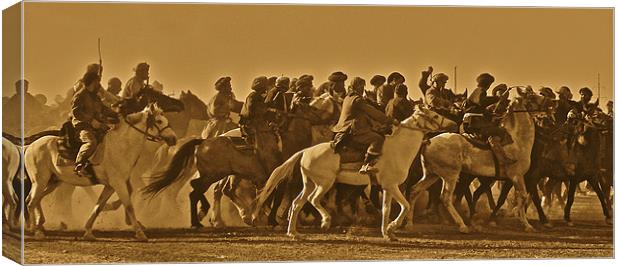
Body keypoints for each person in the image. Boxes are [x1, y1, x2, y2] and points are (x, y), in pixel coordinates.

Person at [332, 77, 398, 174]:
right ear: (356, 87)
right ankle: (367, 165)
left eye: (363, 86)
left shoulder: (348, 97)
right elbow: (373, 112)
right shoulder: (357, 100)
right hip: (352, 130)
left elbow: (362, 116)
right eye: (361, 86)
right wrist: (390, 120)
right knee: (378, 139)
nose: (362, 89)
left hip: (343, 129)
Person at [462, 73, 516, 169]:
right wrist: (497, 98)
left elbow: (479, 107)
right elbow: (481, 102)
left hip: (475, 120)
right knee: (500, 131)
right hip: (474, 122)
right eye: (489, 83)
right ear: (487, 83)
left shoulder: (477, 91)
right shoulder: (480, 91)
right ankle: (502, 159)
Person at [71, 72, 119, 177]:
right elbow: (76, 112)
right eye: (97, 82)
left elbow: (104, 109)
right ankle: (79, 165)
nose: (99, 85)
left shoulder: (95, 97)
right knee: (91, 142)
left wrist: (117, 115)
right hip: (82, 126)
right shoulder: (80, 95)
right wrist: (91, 121)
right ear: (92, 82)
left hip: (96, 125)